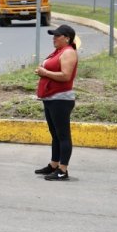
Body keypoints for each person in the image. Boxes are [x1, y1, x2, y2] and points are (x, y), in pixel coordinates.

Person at [35, 25, 79, 181]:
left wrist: (44, 72)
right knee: (55, 135)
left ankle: (63, 169)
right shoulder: (59, 52)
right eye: (53, 35)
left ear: (67, 38)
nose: (53, 38)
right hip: (51, 98)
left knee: (63, 135)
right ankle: (54, 164)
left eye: (57, 36)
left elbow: (66, 76)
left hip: (61, 99)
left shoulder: (69, 52)